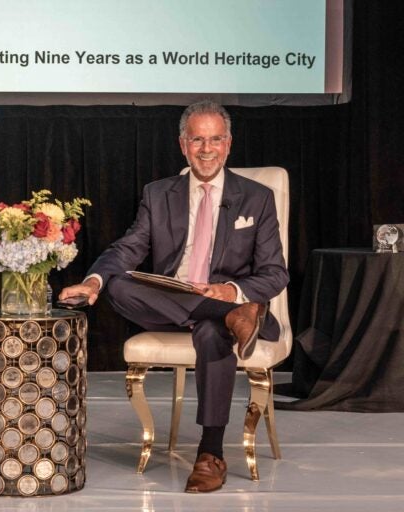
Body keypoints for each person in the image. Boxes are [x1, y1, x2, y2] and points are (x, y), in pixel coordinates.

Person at [60, 100, 288, 493]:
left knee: (211, 332)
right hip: (174, 302)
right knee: (118, 284)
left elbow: (275, 273)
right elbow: (128, 249)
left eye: (215, 139)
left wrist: (233, 291)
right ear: (183, 145)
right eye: (197, 139)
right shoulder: (158, 193)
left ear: (228, 144)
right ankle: (230, 314)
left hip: (237, 301)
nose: (206, 148)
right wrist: (94, 281)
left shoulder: (257, 197)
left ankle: (210, 453)